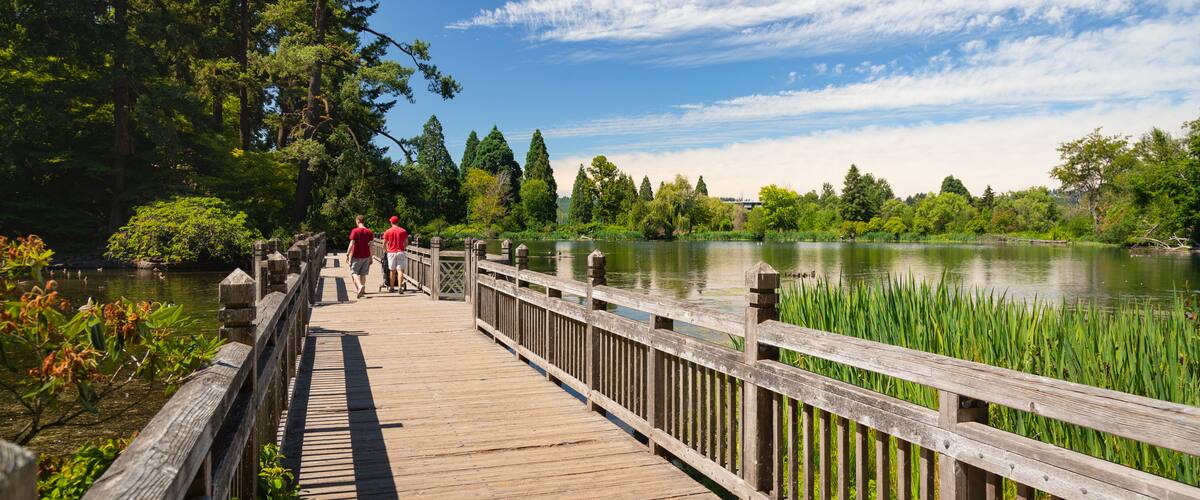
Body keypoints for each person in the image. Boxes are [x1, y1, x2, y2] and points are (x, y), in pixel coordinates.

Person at [345, 215, 374, 299]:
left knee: (354, 272)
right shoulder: (369, 232)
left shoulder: (355, 231)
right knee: (363, 274)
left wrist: (347, 254)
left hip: (356, 256)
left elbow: (352, 243)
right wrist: (371, 257)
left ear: (357, 221)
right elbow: (371, 246)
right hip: (366, 256)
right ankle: (362, 291)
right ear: (363, 221)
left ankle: (360, 286)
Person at [382, 216, 409, 293]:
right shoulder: (403, 231)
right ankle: (400, 287)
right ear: (398, 222)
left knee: (392, 271)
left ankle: (392, 287)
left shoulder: (388, 231)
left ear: (391, 222)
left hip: (391, 252)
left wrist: (385, 250)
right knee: (400, 270)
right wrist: (403, 248)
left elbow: (384, 243)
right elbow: (406, 242)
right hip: (400, 252)